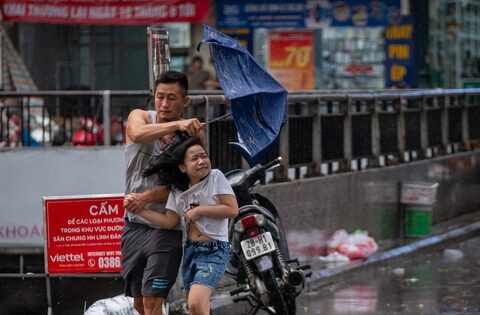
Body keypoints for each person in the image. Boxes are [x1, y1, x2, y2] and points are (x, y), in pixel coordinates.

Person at [122, 70, 204, 315]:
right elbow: (136, 134)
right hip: (134, 225)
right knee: (138, 303)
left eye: (172, 98)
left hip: (166, 228)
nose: (165, 104)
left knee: (152, 302)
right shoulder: (140, 117)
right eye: (160, 97)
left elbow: (184, 186)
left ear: (185, 101)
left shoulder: (192, 137)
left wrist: (146, 197)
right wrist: (178, 124)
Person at [134, 136, 239, 315]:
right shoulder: (178, 190)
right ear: (183, 167)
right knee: (196, 307)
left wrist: (200, 211)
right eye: (194, 158)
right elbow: (169, 221)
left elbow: (232, 209)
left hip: (214, 250)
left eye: (204, 156)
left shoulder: (216, 177)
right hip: (191, 251)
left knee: (196, 303)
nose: (202, 161)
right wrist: (139, 210)